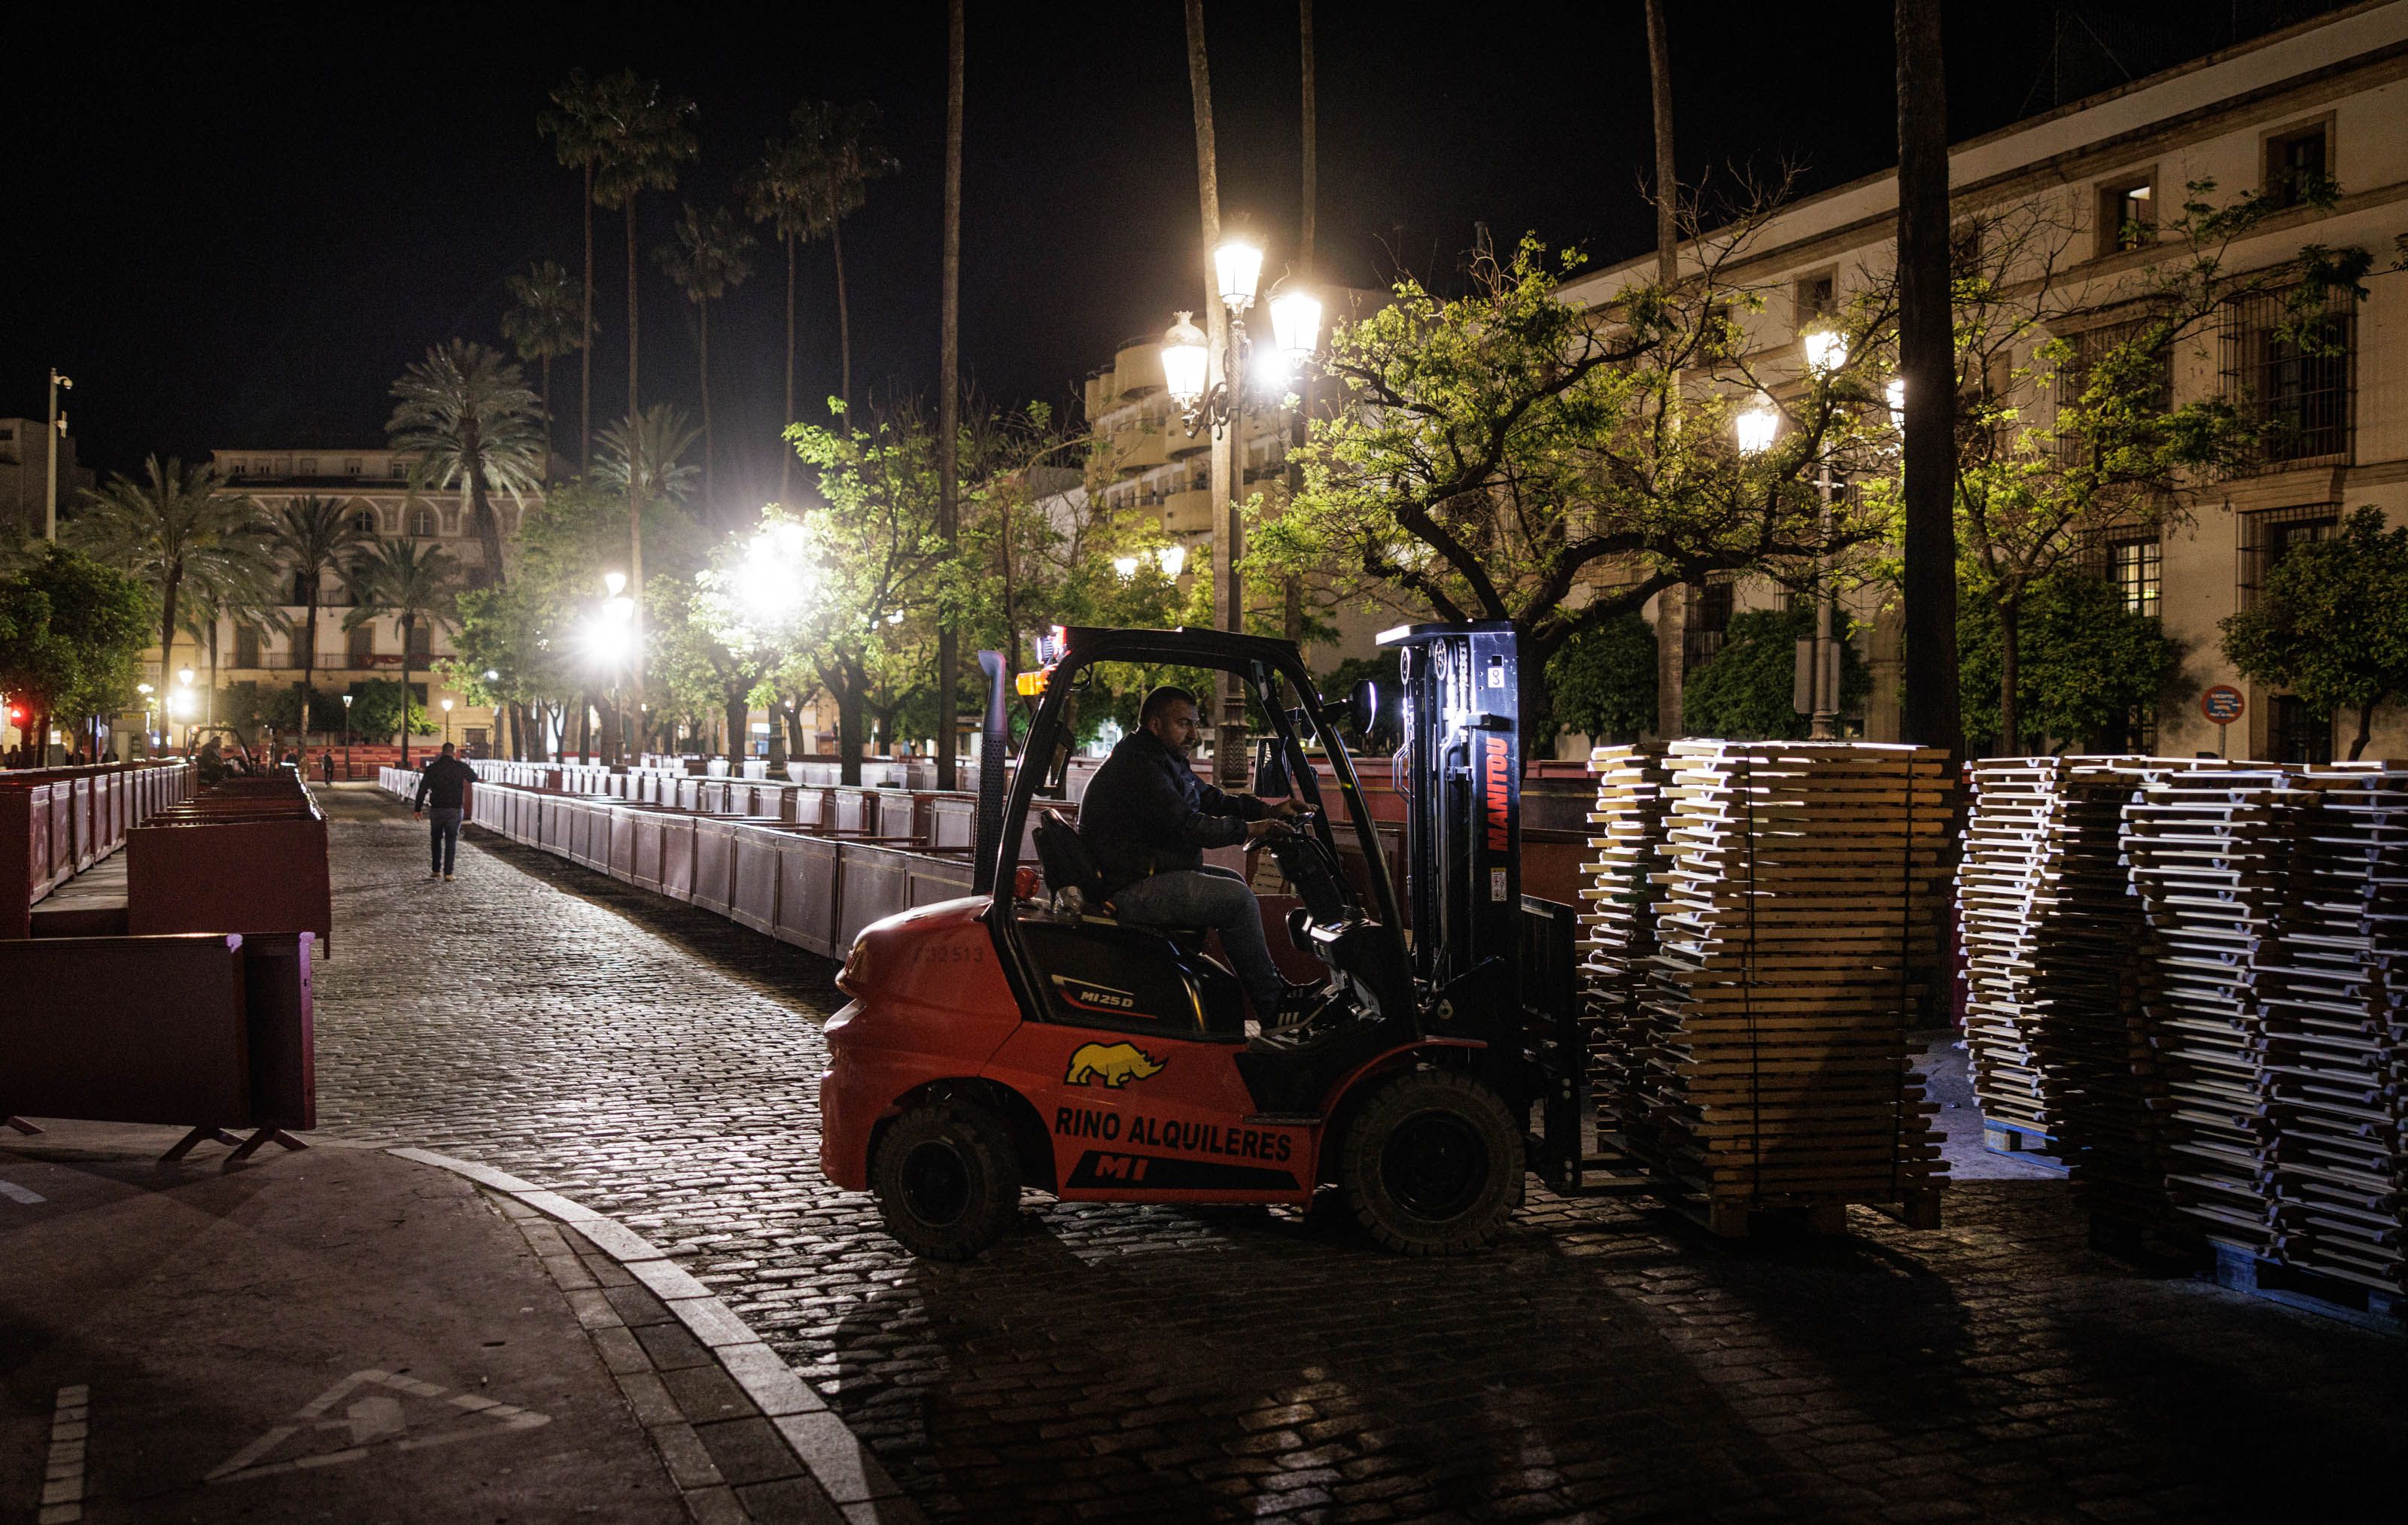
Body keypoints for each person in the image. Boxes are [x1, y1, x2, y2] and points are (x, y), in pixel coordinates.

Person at [1078, 685, 1312, 1022]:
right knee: (1236, 899)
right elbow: (1188, 826)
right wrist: (1254, 829)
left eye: (1193, 723)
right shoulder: (1140, 767)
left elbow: (1212, 799)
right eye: (1183, 723)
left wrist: (1270, 811)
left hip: (1147, 874)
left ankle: (1275, 992)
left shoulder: (1163, 760)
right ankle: (1273, 1006)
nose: (1192, 733)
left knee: (1233, 882)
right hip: (1127, 888)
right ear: (1155, 725)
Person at [412, 742, 477, 882]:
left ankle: (436, 870)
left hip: (437, 808)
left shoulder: (432, 768)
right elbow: (473, 778)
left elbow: (422, 789)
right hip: (454, 808)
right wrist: (463, 765)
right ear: (454, 753)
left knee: (436, 839)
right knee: (451, 840)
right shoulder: (460, 767)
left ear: (441, 752)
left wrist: (417, 809)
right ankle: (448, 873)